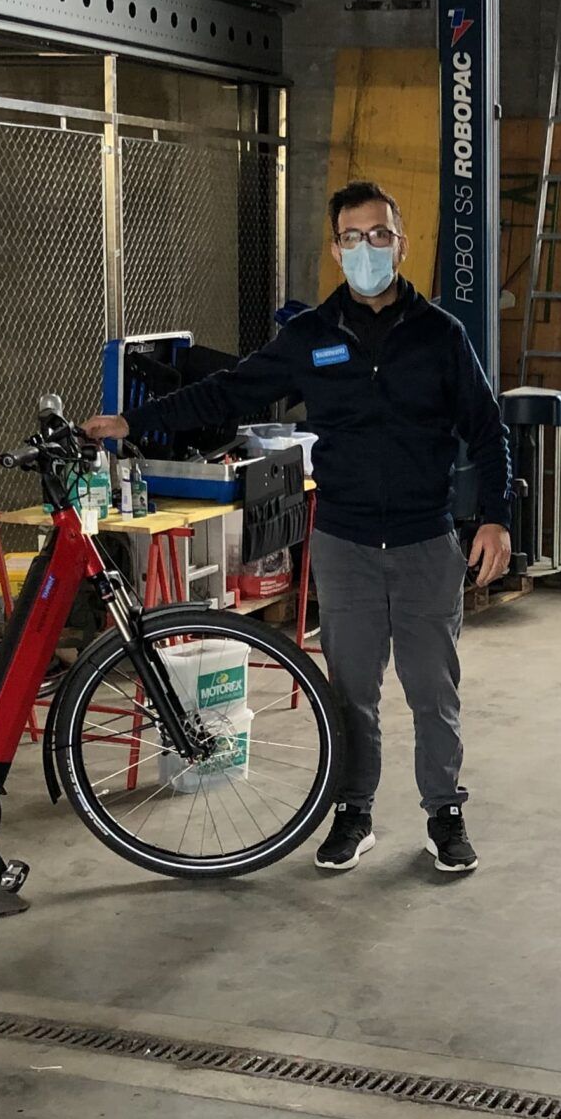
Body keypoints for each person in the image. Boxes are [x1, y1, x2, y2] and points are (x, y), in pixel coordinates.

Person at [84, 179, 511, 874]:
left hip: (426, 542)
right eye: (353, 237)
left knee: (433, 691)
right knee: (351, 693)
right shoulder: (312, 336)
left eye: (379, 235)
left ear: (400, 243)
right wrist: (134, 420)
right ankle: (354, 811)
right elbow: (228, 391)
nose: (368, 248)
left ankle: (445, 813)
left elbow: (488, 432)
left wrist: (496, 518)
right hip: (345, 543)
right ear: (336, 249)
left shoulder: (440, 335)